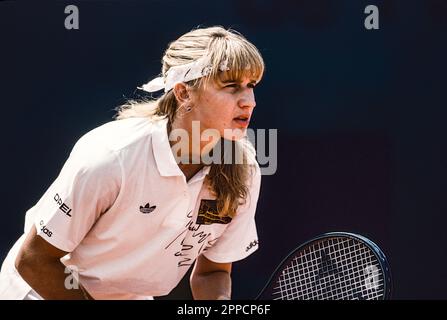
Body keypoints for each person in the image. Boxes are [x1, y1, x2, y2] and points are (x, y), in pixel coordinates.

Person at [0, 26, 264, 300]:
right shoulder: (111, 157)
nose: (249, 102)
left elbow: (213, 273)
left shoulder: (244, 169)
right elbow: (34, 260)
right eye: (231, 86)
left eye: (251, 86)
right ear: (184, 93)